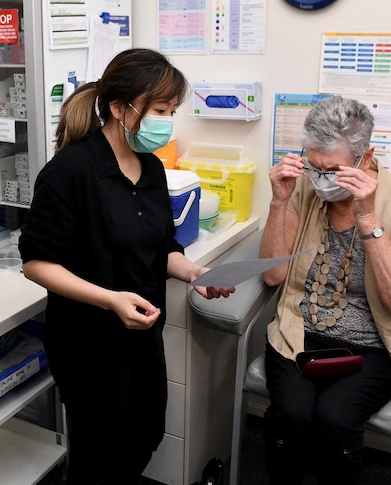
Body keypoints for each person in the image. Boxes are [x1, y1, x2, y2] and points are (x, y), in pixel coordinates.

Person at [18, 48, 235, 485]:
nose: (167, 121)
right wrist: (109, 299)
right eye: (159, 110)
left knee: (146, 433)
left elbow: (164, 247)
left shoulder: (152, 167)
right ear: (119, 108)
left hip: (141, 334)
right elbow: (37, 263)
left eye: (172, 110)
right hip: (89, 343)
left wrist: (195, 274)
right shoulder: (71, 171)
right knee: (99, 453)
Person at [259, 95, 391, 484]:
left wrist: (367, 216)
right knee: (291, 415)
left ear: (365, 158)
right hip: (297, 334)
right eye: (312, 166)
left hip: (370, 345)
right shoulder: (303, 188)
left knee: (335, 418)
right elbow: (273, 275)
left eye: (331, 170)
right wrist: (278, 203)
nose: (320, 179)